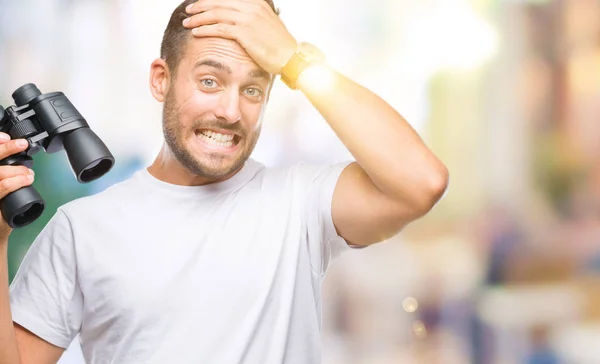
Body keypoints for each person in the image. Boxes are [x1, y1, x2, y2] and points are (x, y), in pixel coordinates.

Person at [0, 0, 449, 363]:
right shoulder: (82, 230)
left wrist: (298, 64)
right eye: (210, 80)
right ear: (161, 79)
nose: (231, 112)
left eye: (252, 89)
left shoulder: (299, 203)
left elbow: (421, 182)